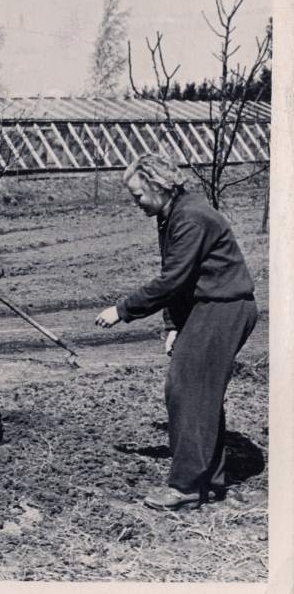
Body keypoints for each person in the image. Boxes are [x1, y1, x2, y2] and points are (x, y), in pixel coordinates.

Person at [95, 154, 258, 511]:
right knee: (199, 392)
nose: (135, 203)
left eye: (138, 195)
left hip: (224, 308)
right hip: (208, 307)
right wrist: (174, 326)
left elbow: (171, 281)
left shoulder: (191, 217)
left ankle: (185, 486)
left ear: (157, 185)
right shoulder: (172, 215)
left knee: (186, 389)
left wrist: (122, 310)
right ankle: (209, 483)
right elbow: (180, 278)